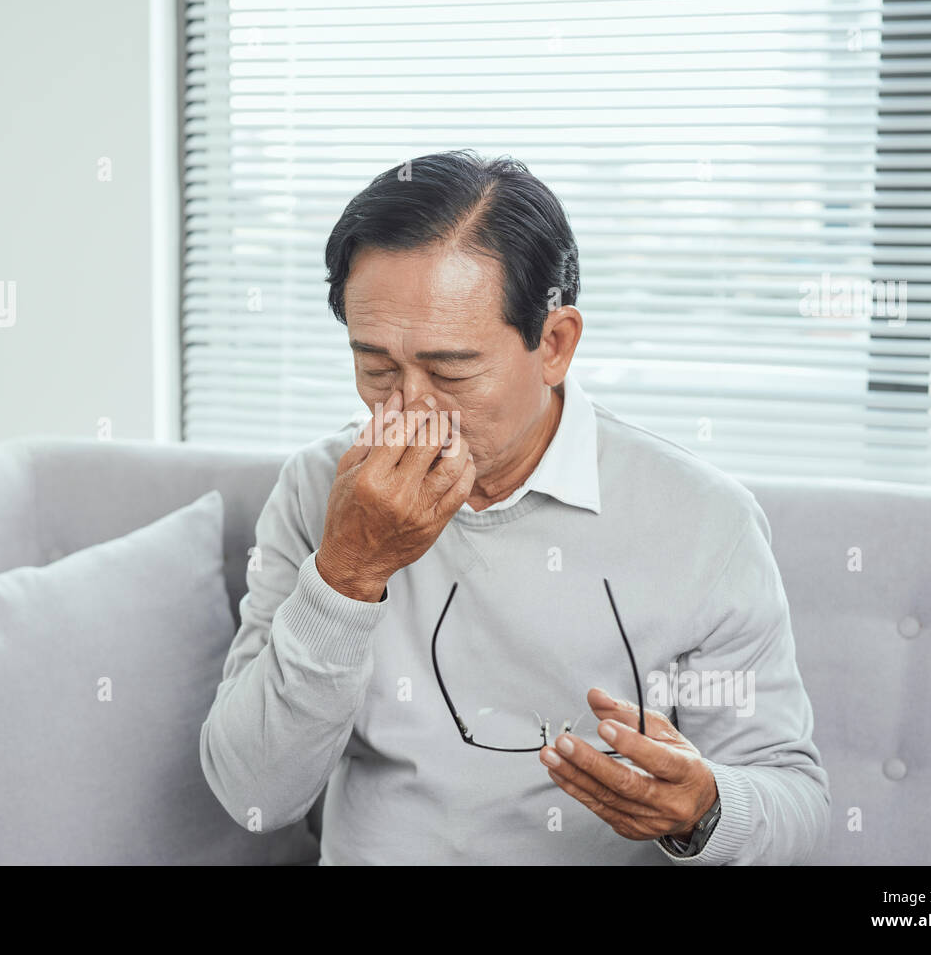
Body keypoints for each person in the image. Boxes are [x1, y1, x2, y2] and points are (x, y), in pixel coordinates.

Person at [200, 150, 830, 864]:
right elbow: (253, 794)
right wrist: (346, 571)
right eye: (376, 366)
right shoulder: (320, 488)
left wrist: (706, 807)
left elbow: (794, 799)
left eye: (450, 370)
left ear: (554, 344)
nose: (408, 410)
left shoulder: (702, 521)